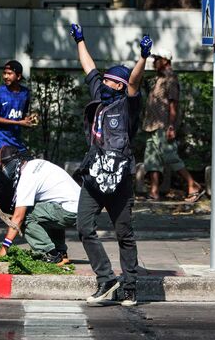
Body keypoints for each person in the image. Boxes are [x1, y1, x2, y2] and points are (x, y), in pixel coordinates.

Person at [70, 23, 151, 307]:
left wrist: (142, 58)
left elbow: (135, 83)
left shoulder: (127, 106)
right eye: (102, 80)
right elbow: (88, 66)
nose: (101, 83)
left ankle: (129, 287)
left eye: (108, 81)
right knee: (83, 226)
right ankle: (106, 279)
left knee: (124, 233)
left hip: (120, 178)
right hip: (93, 176)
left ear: (118, 85)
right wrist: (80, 39)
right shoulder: (98, 95)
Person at [0, 146, 80, 265]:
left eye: (3, 166)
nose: (3, 170)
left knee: (27, 216)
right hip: (81, 207)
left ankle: (49, 253)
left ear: (13, 163)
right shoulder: (37, 163)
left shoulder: (27, 179)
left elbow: (18, 218)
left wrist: (4, 248)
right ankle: (60, 252)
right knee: (44, 212)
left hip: (69, 210)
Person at [142, 48, 204, 202]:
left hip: (163, 126)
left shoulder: (171, 78)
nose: (154, 62)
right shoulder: (159, 77)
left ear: (165, 60)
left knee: (171, 157)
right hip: (152, 125)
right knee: (152, 160)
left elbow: (173, 104)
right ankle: (154, 191)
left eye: (157, 59)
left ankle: (192, 185)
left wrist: (171, 126)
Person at [0, 60, 35, 221]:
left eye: (9, 73)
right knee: (0, 181)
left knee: (29, 170)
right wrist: (19, 123)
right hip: (0, 144)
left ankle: (19, 210)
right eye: (4, 73)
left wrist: (29, 120)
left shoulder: (25, 93)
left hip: (16, 143)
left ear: (18, 76)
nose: (5, 76)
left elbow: (22, 115)